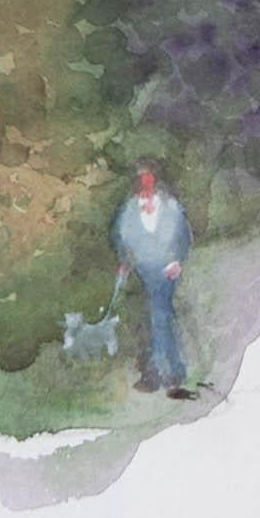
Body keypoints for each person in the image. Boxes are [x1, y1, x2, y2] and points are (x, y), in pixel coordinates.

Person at [110, 164, 196, 399]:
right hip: (142, 269)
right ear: (137, 185)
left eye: (150, 181)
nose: (146, 187)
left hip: (166, 268)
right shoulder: (128, 210)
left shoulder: (170, 206)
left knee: (159, 315)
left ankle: (163, 376)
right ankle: (172, 372)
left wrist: (178, 260)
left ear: (155, 182)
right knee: (159, 317)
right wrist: (124, 260)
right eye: (142, 182)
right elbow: (119, 236)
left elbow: (184, 235)